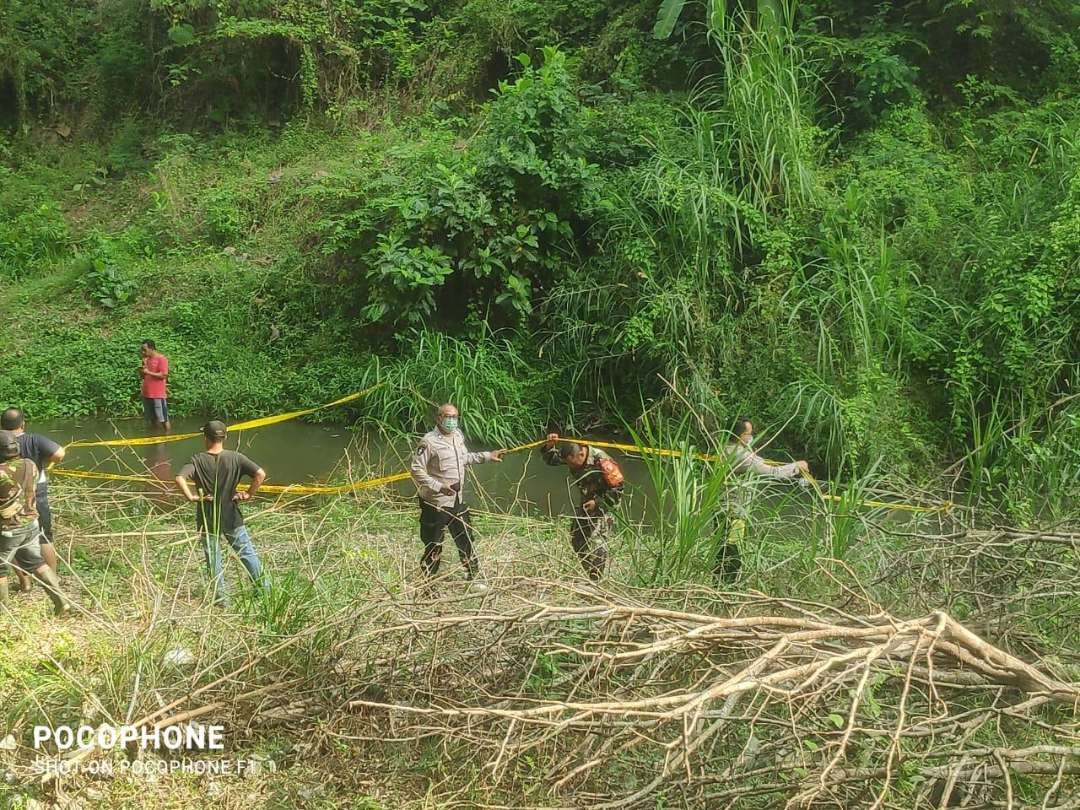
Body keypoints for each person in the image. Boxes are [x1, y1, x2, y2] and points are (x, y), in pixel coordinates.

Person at [409, 403, 503, 586]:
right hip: (435, 503)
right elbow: (416, 470)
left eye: (454, 417)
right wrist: (438, 486)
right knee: (434, 543)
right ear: (438, 418)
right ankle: (428, 583)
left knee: (465, 538)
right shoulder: (429, 441)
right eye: (448, 416)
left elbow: (464, 458)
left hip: (457, 501)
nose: (451, 420)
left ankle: (473, 576)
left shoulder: (458, 436)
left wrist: (486, 456)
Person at [175, 421, 267, 606]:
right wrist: (249, 493)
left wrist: (192, 497)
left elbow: (179, 478)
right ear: (224, 438)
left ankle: (222, 599)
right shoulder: (236, 458)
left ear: (206, 438)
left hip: (207, 517)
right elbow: (260, 474)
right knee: (247, 553)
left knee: (214, 557)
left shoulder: (197, 460)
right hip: (231, 514)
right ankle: (264, 590)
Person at [715, 416, 809, 581]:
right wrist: (796, 466)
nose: (751, 437)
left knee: (722, 553)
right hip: (734, 514)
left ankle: (718, 588)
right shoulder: (740, 456)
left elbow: (758, 461)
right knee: (733, 557)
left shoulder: (725, 449)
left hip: (721, 510)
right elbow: (773, 472)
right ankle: (726, 591)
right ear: (738, 436)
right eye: (748, 434)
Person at [0, 430, 71, 615]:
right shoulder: (30, 464)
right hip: (30, 524)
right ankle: (62, 602)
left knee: (0, 569)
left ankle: (5, 614)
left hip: (8, 528)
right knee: (37, 563)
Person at [539, 434, 625, 581]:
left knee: (598, 541)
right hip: (586, 501)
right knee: (577, 538)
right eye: (569, 464)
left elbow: (618, 488)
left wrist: (597, 503)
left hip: (605, 503)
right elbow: (552, 460)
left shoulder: (602, 461)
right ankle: (588, 573)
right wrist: (549, 446)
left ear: (581, 454)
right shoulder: (571, 456)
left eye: (573, 464)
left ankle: (595, 579)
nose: (571, 467)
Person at [140, 339, 171, 433]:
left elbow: (163, 375)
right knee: (152, 419)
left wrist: (148, 372)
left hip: (157, 394)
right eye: (142, 350)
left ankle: (167, 435)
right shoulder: (146, 360)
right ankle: (155, 435)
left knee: (163, 419)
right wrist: (143, 368)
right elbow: (143, 376)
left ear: (152, 348)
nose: (143, 352)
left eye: (145, 350)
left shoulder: (161, 359)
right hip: (147, 394)